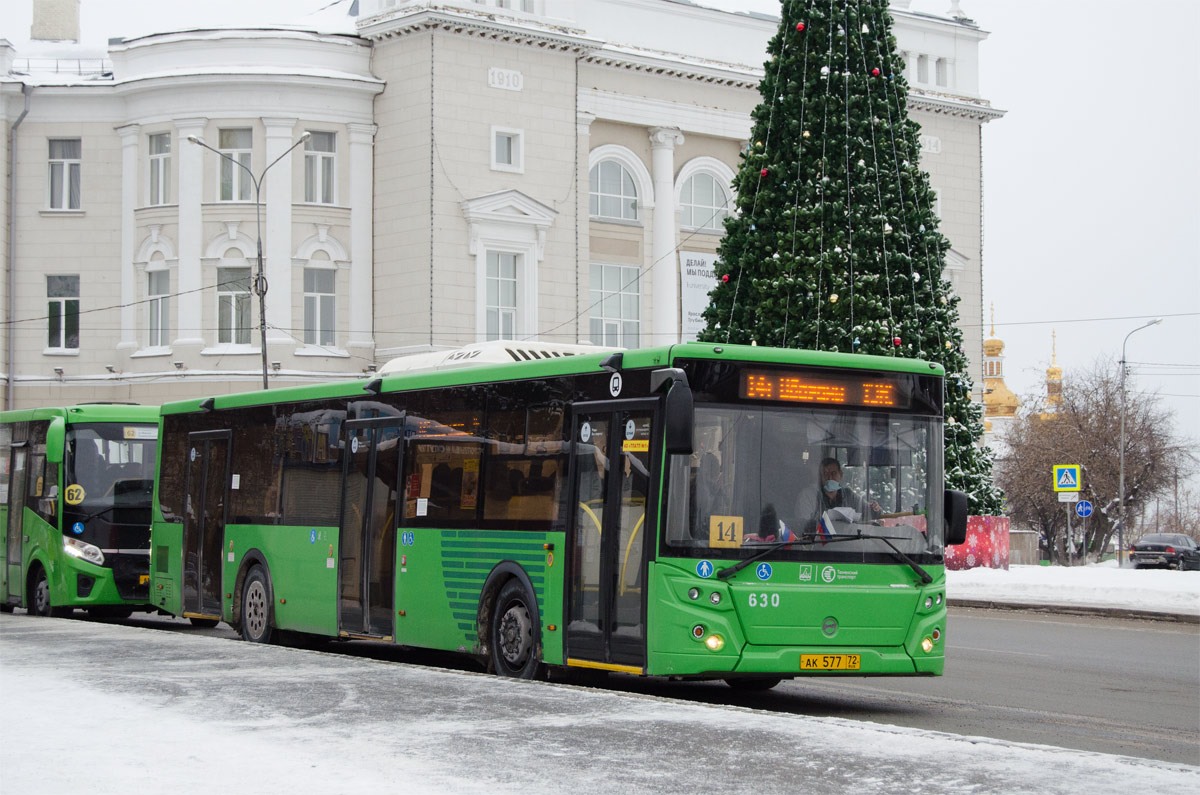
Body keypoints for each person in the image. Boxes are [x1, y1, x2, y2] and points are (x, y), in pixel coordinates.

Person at [793, 457, 882, 533]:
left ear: (841, 474)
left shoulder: (848, 495)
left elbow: (869, 512)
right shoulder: (808, 496)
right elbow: (802, 525)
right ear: (820, 477)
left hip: (846, 544)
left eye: (833, 473)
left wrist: (875, 509)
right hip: (817, 545)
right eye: (825, 474)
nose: (830, 478)